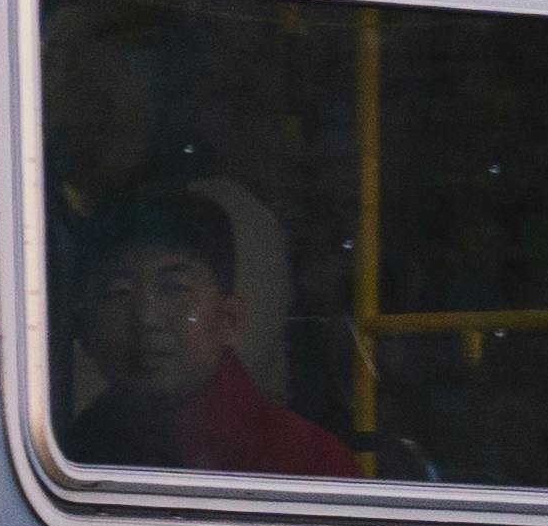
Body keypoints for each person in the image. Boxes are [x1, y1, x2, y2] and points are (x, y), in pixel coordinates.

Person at [63, 183, 353, 477]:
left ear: (229, 319)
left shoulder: (310, 464)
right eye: (119, 293)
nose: (146, 317)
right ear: (87, 330)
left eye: (174, 288)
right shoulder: (68, 461)